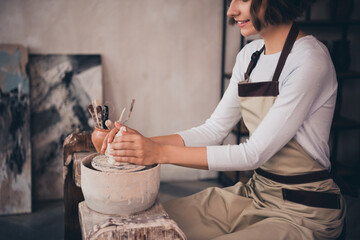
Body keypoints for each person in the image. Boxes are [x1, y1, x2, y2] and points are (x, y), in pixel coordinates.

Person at [101, 0, 346, 239]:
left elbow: (253, 154)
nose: (231, 10)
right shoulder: (250, 56)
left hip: (304, 210)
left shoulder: (310, 59)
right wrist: (134, 145)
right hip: (255, 194)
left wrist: (158, 153)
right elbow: (214, 130)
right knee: (143, 226)